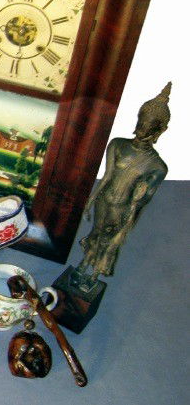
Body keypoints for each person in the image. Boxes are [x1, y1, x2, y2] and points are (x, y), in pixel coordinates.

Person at [75, 83, 171, 284]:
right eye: (141, 123)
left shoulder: (157, 167)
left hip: (122, 208)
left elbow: (141, 202)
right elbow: (107, 176)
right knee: (95, 233)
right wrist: (90, 202)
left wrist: (137, 201)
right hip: (104, 199)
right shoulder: (117, 144)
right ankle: (83, 265)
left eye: (148, 127)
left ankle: (93, 276)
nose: (142, 129)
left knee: (108, 242)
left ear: (159, 130)